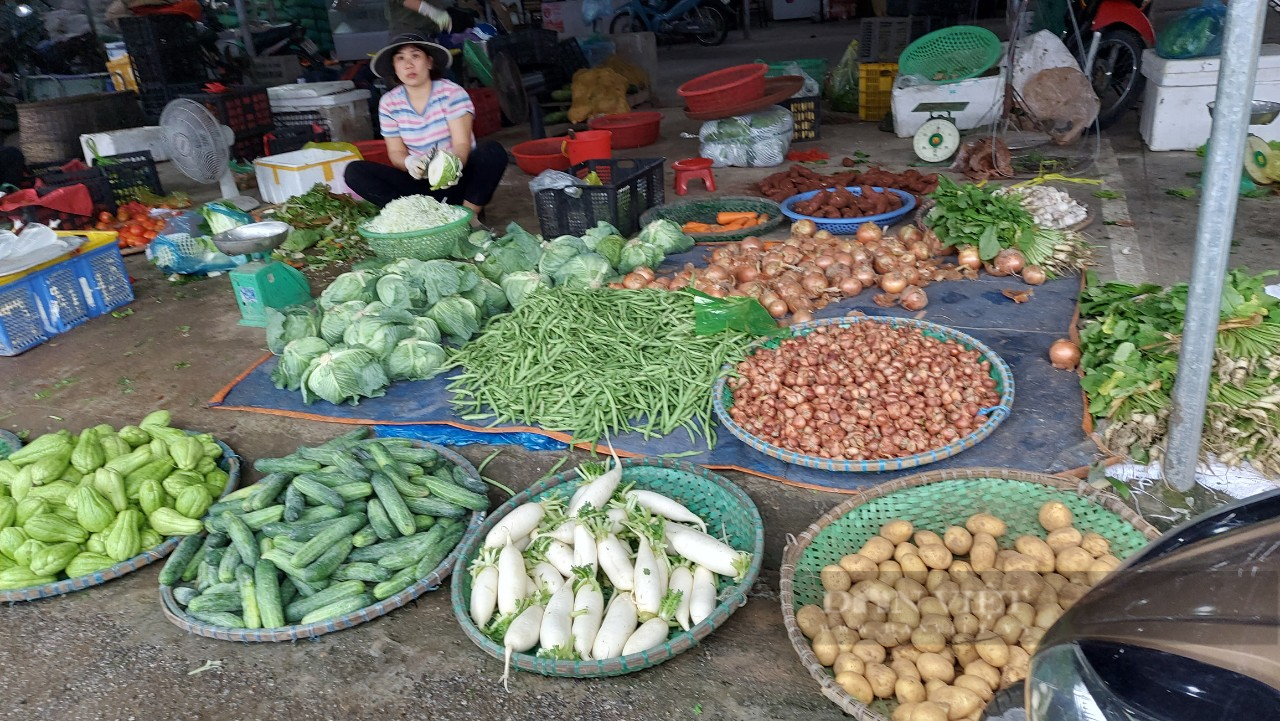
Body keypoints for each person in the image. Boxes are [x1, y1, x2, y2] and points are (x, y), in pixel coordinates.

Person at [344, 33, 508, 220]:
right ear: (394, 68)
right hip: (419, 184)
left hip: (457, 181)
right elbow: (396, 152)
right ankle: (419, 219)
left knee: (492, 152)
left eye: (415, 56)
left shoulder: (451, 93)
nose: (409, 64)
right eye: (400, 58)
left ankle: (468, 218)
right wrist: (410, 163)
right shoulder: (389, 103)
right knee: (355, 172)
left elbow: (462, 145)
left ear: (429, 62)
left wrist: (450, 168)